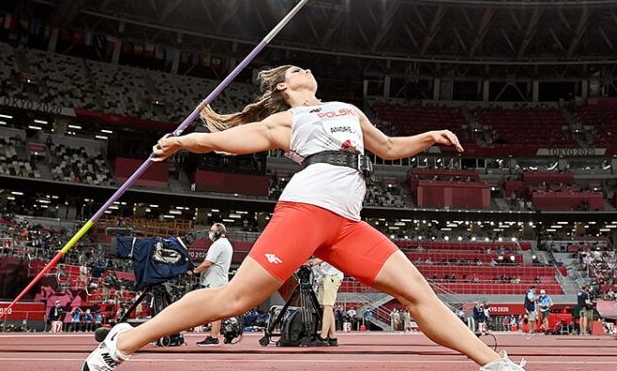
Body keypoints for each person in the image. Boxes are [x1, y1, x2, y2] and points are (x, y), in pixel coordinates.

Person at [82, 65, 526, 371]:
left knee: (418, 294)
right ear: (282, 87)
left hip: (347, 223)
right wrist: (181, 143)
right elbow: (225, 141)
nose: (304, 71)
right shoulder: (286, 120)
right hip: (306, 211)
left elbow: (387, 148)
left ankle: (494, 362)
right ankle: (124, 342)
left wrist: (427, 136)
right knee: (236, 299)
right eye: (295, 70)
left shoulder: (348, 111)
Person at [192, 223, 233, 347]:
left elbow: (207, 263)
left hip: (215, 282)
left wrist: (194, 271)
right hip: (220, 281)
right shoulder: (227, 244)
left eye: (212, 231)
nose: (210, 233)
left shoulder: (218, 244)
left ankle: (214, 337)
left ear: (219, 232)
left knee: (215, 311)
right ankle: (213, 336)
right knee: (215, 311)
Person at [308, 258, 344, 346]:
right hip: (324, 277)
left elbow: (324, 257)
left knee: (328, 306)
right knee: (327, 307)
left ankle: (323, 337)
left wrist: (311, 263)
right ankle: (332, 337)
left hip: (332, 275)